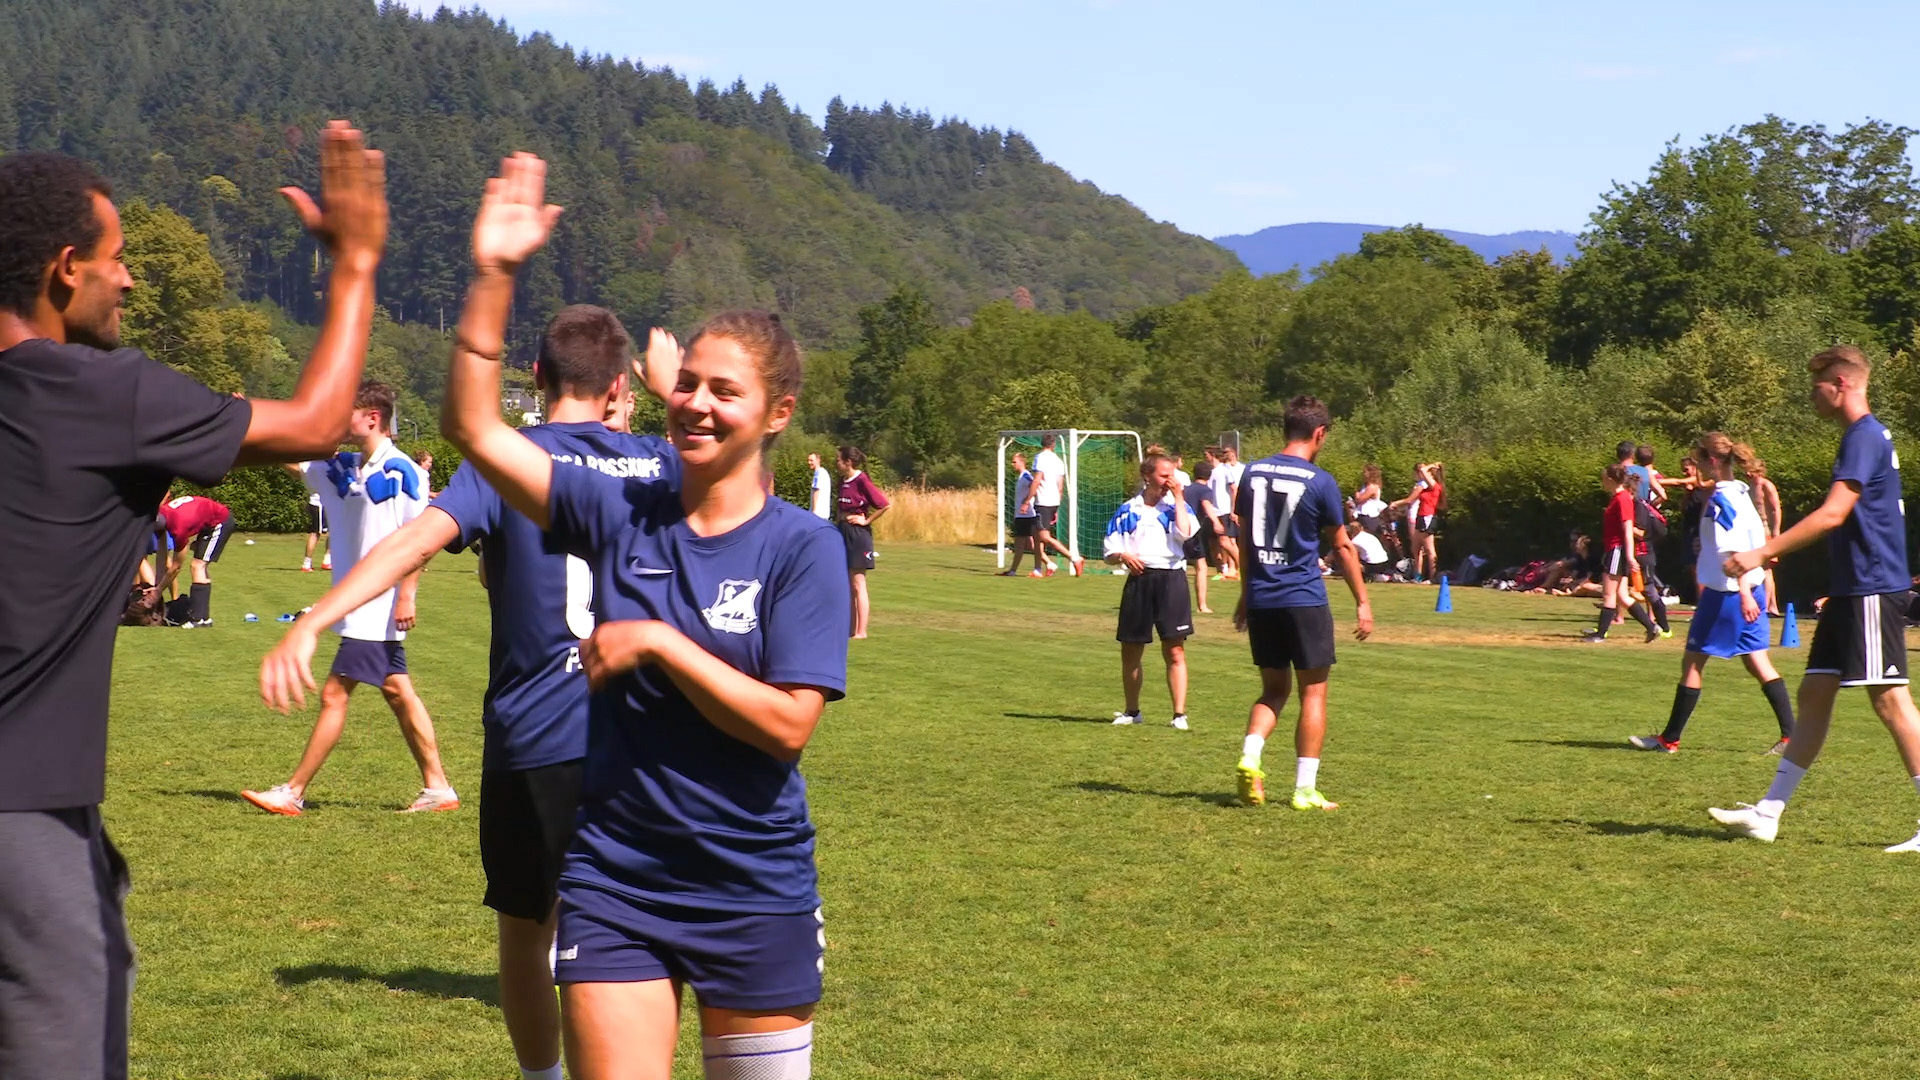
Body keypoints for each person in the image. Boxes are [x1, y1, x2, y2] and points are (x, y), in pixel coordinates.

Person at [440, 153, 849, 1080]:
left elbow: (789, 727)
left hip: (753, 886)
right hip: (616, 878)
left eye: (724, 390)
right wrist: (495, 277)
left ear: (778, 413)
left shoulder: (801, 548)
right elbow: (476, 432)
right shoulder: (615, 510)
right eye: (687, 383)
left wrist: (659, 642)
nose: (696, 404)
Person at [0, 123, 387, 1080]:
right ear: (63, 271)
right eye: (116, 259)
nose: (128, 280)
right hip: (23, 816)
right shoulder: (95, 393)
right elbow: (320, 423)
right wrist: (356, 265)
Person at [259, 304, 674, 1080]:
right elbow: (743, 480)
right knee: (623, 937)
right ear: (621, 385)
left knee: (527, 928)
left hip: (537, 735)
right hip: (646, 739)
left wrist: (315, 619)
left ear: (538, 378)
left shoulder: (503, 459)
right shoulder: (658, 461)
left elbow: (414, 540)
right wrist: (674, 400)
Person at [1709, 346, 1920, 849]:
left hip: (1871, 586)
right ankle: (1769, 812)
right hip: (1853, 588)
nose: (1812, 395)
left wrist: (1759, 553)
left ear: (1842, 384)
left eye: (1817, 385)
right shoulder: (1863, 437)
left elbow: (1832, 514)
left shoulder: (1863, 437)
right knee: (1815, 693)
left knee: (1891, 702)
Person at [241, 380, 456, 816]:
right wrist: (250, 420)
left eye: (346, 413)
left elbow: (421, 541)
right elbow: (298, 463)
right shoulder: (345, 467)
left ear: (372, 417)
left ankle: (293, 792)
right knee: (399, 693)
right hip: (359, 606)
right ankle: (438, 788)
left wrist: (406, 596)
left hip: (376, 607)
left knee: (335, 695)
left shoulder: (404, 472)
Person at [1233, 396, 1374, 811]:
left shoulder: (1251, 473)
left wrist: (1246, 592)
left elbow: (1243, 541)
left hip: (1262, 597)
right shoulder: (1319, 481)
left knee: (1273, 690)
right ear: (1319, 433)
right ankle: (1305, 789)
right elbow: (1343, 546)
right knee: (1313, 693)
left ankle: (1250, 755)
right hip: (1303, 596)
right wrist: (1363, 602)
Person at [1627, 434, 1794, 755]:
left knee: (1693, 663)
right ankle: (1791, 737)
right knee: (1758, 662)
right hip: (1751, 589)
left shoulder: (1722, 502)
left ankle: (1669, 739)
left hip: (1729, 594)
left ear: (1713, 462)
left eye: (1700, 461)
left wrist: (1743, 594)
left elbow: (1733, 554)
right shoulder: (1741, 493)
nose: (1697, 467)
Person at [1104, 452, 1198, 729]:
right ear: (1148, 477)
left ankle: (1179, 714)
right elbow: (1109, 551)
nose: (1170, 480)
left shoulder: (1176, 506)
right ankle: (1132, 711)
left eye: (1173, 475)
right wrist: (1123, 556)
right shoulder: (1128, 510)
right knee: (1131, 650)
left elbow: (1187, 533)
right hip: (1140, 580)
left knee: (1175, 650)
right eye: (1164, 475)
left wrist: (1179, 498)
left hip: (1171, 580)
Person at [1581, 464, 1662, 643]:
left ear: (1610, 479)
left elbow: (1627, 529)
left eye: (1604, 478)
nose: (1602, 482)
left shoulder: (1622, 498)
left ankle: (1600, 635)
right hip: (1616, 549)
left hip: (1617, 549)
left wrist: (1630, 556)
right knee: (1622, 596)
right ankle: (1651, 627)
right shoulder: (1618, 498)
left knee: (1609, 594)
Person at [153, 491, 232, 627]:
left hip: (220, 521)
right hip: (208, 521)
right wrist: (155, 587)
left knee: (197, 566)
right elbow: (162, 558)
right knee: (200, 566)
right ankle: (204, 619)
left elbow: (176, 567)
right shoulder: (161, 513)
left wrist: (158, 590)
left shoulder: (178, 528)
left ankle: (197, 619)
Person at [836, 446, 889, 639]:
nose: (837, 463)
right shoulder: (842, 482)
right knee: (847, 583)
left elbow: (884, 504)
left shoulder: (861, 480)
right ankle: (850, 629)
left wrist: (866, 520)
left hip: (858, 535)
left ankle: (861, 631)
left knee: (858, 583)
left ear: (848, 462)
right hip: (843, 531)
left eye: (838, 459)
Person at [1030, 432, 1082, 576]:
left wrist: (1028, 499)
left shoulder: (1039, 458)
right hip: (1053, 502)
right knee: (1036, 536)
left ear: (1042, 444)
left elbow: (1037, 479)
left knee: (1044, 536)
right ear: (1053, 445)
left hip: (1043, 501)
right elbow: (1060, 486)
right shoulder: (1058, 461)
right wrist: (1057, 507)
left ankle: (1075, 558)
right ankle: (1038, 569)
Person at [1184, 459, 1226, 613]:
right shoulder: (1205, 491)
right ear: (1210, 475)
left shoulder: (1185, 489)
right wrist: (1216, 522)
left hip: (1180, 532)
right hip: (1195, 534)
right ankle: (1202, 605)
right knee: (1201, 567)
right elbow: (1206, 505)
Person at [1747, 456, 1785, 615]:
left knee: (1766, 568)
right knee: (1761, 568)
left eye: (1751, 472)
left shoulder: (1766, 485)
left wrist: (1776, 531)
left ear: (1759, 472)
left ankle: (1768, 606)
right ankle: (1772, 605)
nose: (1748, 474)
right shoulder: (1749, 486)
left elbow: (1776, 509)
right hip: (1753, 527)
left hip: (1765, 528)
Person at [1002, 450, 1041, 577]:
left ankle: (1014, 570)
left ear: (1021, 462)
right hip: (1022, 515)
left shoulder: (1026, 476)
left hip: (1026, 515)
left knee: (1020, 544)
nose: (1012, 464)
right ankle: (1047, 565)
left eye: (1015, 462)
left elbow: (1035, 485)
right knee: (1030, 545)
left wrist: (1026, 501)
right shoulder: (1021, 477)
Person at [302, 488, 332, 572]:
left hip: (324, 504)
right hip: (319, 504)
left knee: (333, 532)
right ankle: (306, 563)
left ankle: (327, 560)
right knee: (315, 534)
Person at [807, 451, 832, 519]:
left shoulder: (818, 473)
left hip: (818, 514)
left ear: (818, 460)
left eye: (811, 460)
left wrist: (813, 512)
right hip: (823, 513)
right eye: (808, 460)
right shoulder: (823, 472)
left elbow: (816, 491)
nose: (809, 462)